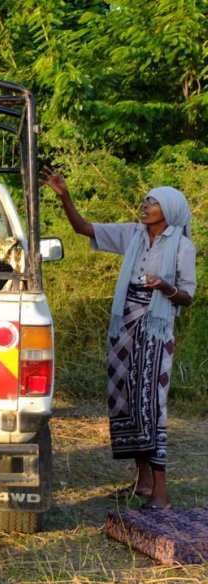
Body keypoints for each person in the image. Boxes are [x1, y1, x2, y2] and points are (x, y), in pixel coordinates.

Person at [41, 168, 195, 511]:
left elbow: (187, 296)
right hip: (124, 328)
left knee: (151, 404)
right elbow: (84, 229)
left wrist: (164, 287)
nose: (145, 205)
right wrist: (64, 196)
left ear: (170, 210)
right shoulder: (133, 235)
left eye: (153, 201)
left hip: (155, 332)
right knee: (124, 399)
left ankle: (161, 493)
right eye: (145, 199)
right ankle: (141, 483)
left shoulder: (182, 247)